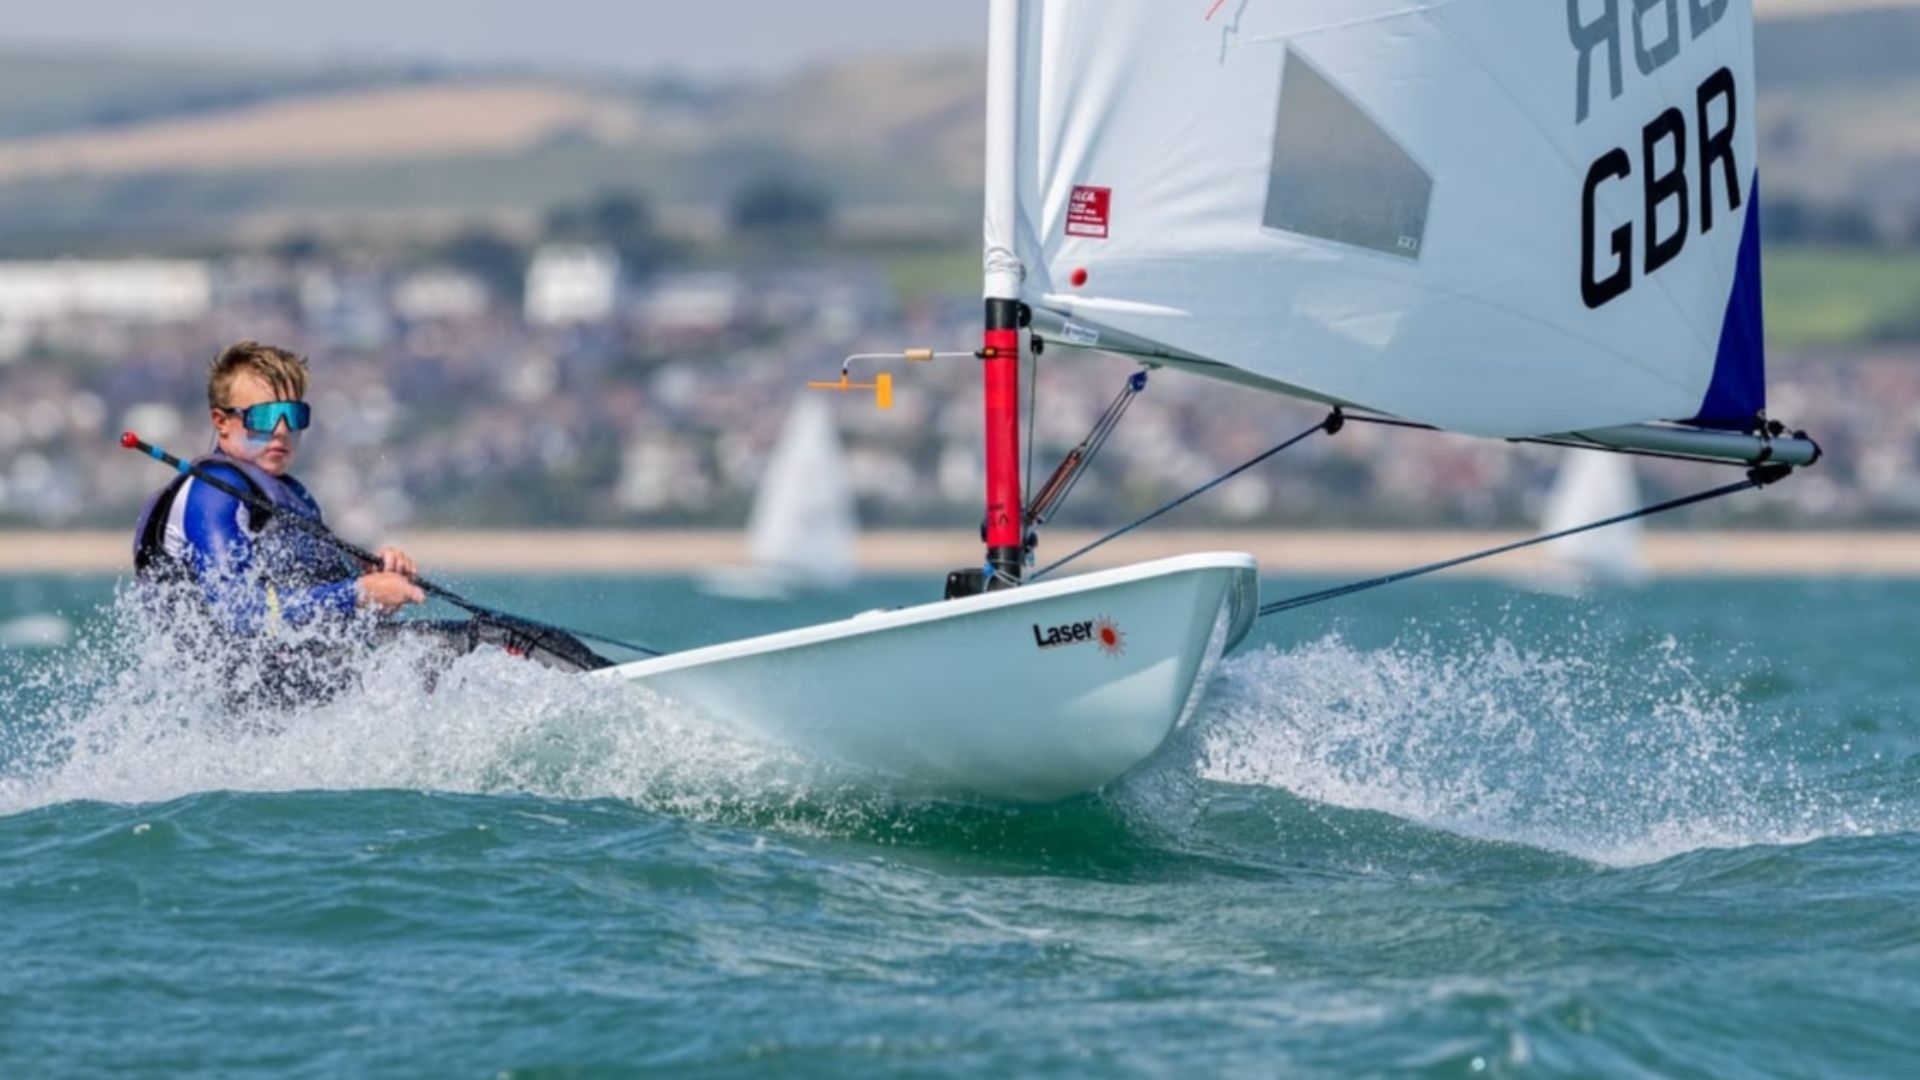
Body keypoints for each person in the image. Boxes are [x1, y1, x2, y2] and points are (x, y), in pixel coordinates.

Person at [132, 340, 608, 703]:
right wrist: (359, 594)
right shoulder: (212, 496)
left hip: (301, 671)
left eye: (293, 414)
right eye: (262, 416)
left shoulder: (289, 495)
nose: (280, 430)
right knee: (496, 638)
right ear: (222, 422)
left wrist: (372, 578)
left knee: (478, 642)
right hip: (262, 683)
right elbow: (238, 616)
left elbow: (314, 592)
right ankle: (608, 692)